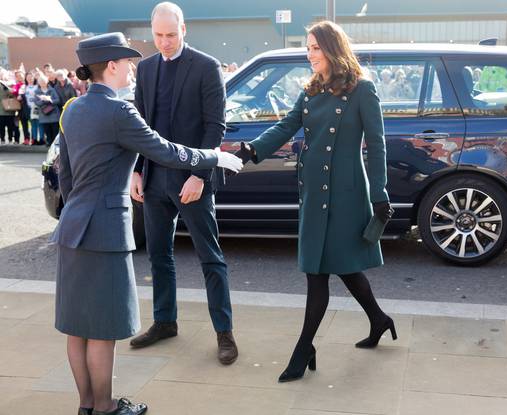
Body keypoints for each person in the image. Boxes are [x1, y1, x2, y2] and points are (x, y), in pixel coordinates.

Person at [53, 32, 242, 415]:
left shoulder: (73, 109)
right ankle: (107, 408)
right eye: (125, 61)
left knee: (77, 326)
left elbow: (65, 174)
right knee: (103, 328)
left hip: (72, 227)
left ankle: (86, 406)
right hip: (105, 230)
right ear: (110, 66)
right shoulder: (119, 112)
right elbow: (165, 151)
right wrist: (213, 158)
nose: (131, 67)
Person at [236, 20, 397, 383]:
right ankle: (379, 319)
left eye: (316, 48)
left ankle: (303, 348)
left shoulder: (362, 90)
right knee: (336, 266)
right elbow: (286, 125)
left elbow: (377, 144)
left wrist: (380, 193)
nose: (310, 55)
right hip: (313, 190)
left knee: (321, 271)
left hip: (347, 194)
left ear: (332, 49)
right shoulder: (310, 90)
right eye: (307, 48)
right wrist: (252, 150)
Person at [128, 2, 239, 365]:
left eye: (171, 35)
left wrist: (199, 175)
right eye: (158, 35)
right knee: (159, 256)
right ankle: (164, 322)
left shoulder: (207, 67)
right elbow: (140, 127)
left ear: (184, 29)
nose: (164, 42)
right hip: (154, 178)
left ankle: (224, 333)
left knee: (210, 258)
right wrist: (136, 170)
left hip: (192, 179)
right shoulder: (145, 69)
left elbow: (215, 127)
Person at [34, 74, 61, 146]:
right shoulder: (37, 91)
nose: (42, 83)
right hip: (44, 114)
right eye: (41, 81)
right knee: (47, 130)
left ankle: (55, 144)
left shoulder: (52, 90)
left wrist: (50, 100)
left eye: (44, 81)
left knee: (55, 130)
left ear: (47, 81)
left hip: (54, 114)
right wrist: (43, 100)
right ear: (38, 83)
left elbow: (57, 100)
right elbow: (36, 102)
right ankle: (49, 142)